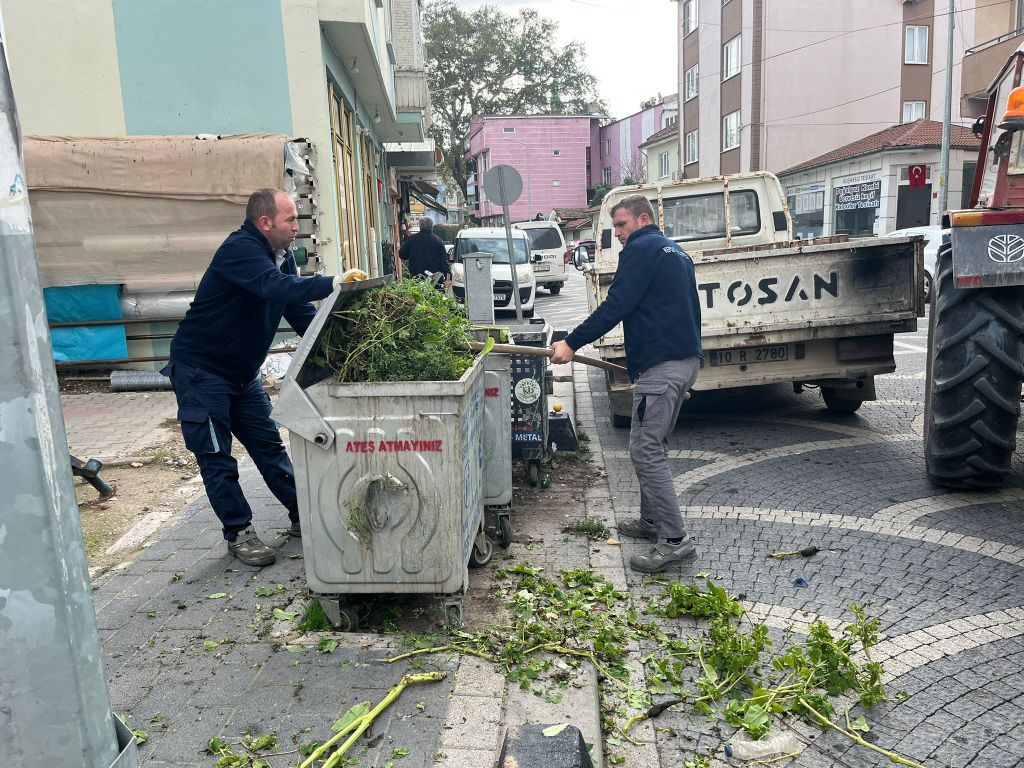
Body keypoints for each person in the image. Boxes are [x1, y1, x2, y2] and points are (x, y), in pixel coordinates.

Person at [162, 188, 363, 567]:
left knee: (269, 446)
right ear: (265, 222)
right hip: (201, 372)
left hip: (240, 374)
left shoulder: (280, 257)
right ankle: (239, 532)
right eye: (290, 220)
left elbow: (297, 309)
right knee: (217, 456)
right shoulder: (240, 251)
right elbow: (275, 287)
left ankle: (303, 516)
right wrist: (333, 282)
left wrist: (340, 350)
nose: (296, 227)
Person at [550, 194, 702, 573]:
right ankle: (651, 523)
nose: (617, 233)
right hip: (682, 361)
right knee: (652, 444)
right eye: (614, 226)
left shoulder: (641, 250)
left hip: (662, 367)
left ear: (643, 219)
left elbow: (617, 305)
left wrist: (571, 342)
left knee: (645, 448)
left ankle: (674, 540)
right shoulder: (675, 251)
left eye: (622, 224)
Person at [400, 217, 451, 287]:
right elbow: (444, 262)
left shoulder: (411, 239)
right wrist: (447, 278)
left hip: (416, 279)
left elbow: (402, 255)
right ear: (432, 226)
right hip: (435, 280)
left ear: (420, 226)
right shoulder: (438, 241)